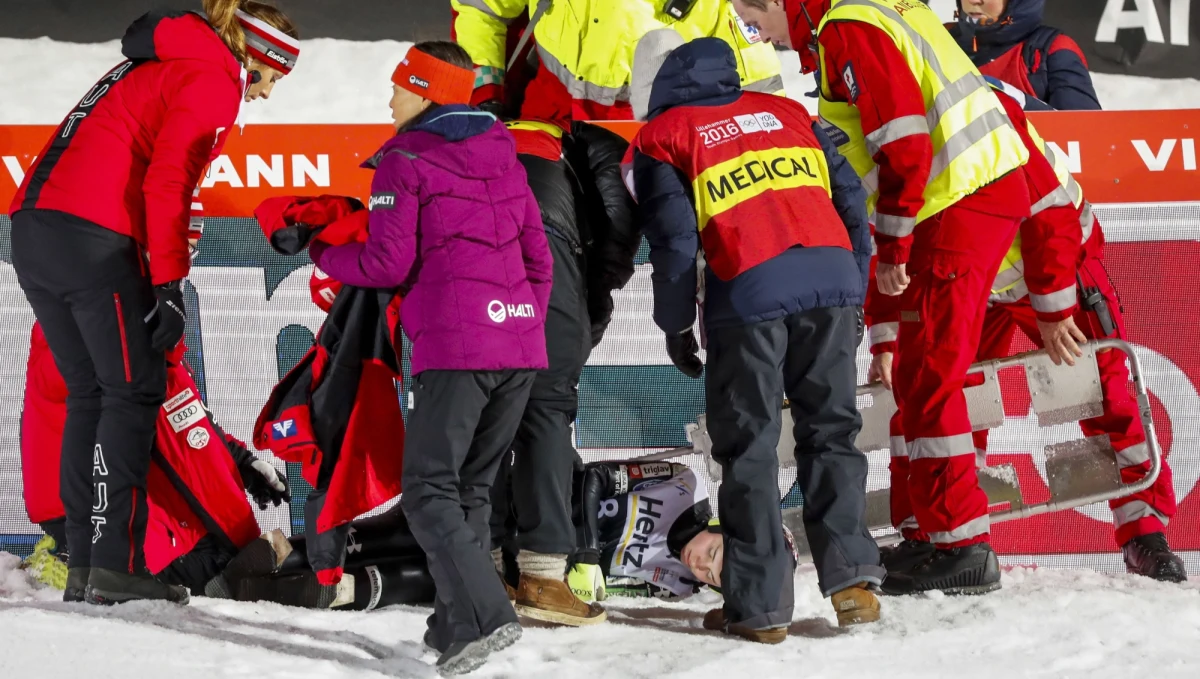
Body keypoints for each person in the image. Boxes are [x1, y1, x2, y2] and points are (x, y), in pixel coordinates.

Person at [732, 0, 1034, 594]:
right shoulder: (871, 11)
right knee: (924, 377)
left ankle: (961, 543)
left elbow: (906, 146)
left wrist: (894, 249)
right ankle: (935, 533)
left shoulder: (849, 26)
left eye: (751, 20)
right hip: (967, 196)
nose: (756, 36)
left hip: (954, 202)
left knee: (930, 377)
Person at [8, 0, 299, 605]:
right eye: (272, 79)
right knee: (132, 393)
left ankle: (90, 570)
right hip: (93, 233)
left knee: (93, 391)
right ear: (257, 58)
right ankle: (112, 571)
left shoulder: (166, 60)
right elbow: (168, 180)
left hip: (38, 228)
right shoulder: (214, 76)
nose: (266, 95)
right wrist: (168, 285)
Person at [869, 84, 1187, 584]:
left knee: (1106, 394)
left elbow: (1052, 211)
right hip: (967, 280)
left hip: (1050, 274)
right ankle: (932, 535)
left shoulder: (986, 111)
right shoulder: (888, 128)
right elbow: (890, 237)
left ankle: (1144, 533)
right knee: (929, 391)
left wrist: (1055, 304)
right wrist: (886, 334)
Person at [625, 31, 882, 644]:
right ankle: (852, 584)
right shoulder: (789, 112)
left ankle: (761, 608)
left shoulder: (664, 137)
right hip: (831, 276)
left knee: (750, 450)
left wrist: (674, 324)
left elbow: (675, 242)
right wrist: (856, 285)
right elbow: (850, 198)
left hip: (749, 292)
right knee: (831, 430)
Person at [308, 41, 552, 676]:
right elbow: (539, 265)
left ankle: (490, 614)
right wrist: (518, 325)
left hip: (457, 347)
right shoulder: (505, 153)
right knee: (468, 488)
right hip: (520, 345)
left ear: (423, 90)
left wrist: (320, 252)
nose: (390, 99)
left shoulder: (405, 157)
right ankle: (454, 624)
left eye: (398, 86)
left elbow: (386, 264)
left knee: (427, 490)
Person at [214, 460, 798, 611]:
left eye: (713, 578)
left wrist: (590, 586)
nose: (701, 567)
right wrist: (589, 553)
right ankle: (287, 555)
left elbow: (611, 595)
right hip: (527, 508)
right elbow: (593, 479)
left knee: (453, 576)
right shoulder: (678, 481)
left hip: (528, 562)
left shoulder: (678, 589)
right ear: (720, 525)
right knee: (422, 529)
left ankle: (329, 588)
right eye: (714, 554)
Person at [490, 117, 639, 626]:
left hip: (461, 248)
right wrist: (589, 314)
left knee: (478, 408)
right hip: (544, 245)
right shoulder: (591, 147)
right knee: (545, 412)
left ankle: (482, 569)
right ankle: (543, 576)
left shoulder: (468, 134)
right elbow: (618, 229)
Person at [19, 323, 290, 600]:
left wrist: (240, 460)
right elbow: (172, 440)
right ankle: (68, 562)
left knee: (240, 562)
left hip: (113, 500)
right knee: (220, 569)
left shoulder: (143, 336)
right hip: (98, 510)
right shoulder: (102, 339)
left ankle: (69, 557)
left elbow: (189, 421)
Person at [450, 0, 784, 123]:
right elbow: (481, 9)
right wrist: (484, 97)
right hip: (550, 119)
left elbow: (755, 75)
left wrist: (776, 141)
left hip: (650, 136)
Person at [949, 0, 1101, 110]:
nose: (974, 1)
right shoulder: (937, 40)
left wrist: (1013, 100)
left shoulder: (1052, 50)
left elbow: (1085, 135)